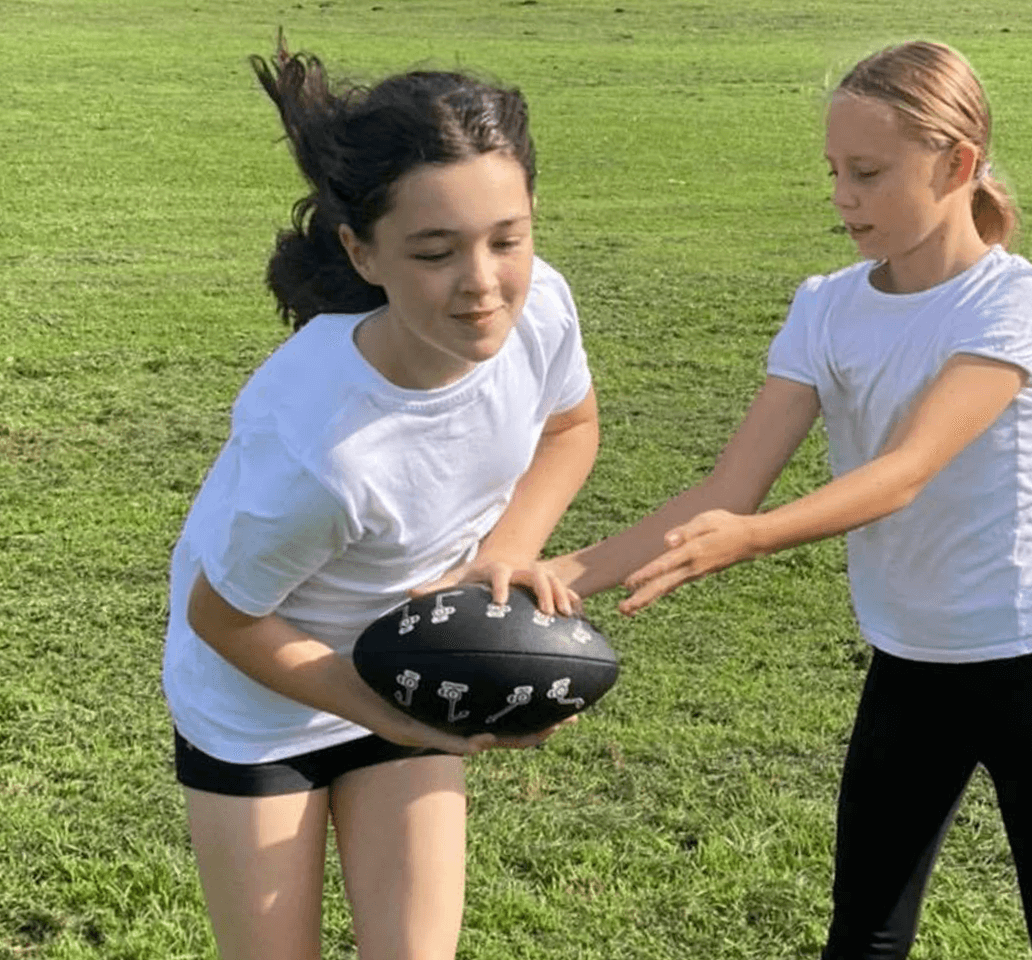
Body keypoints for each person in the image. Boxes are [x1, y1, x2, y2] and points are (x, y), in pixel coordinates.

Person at [547, 39, 1032, 960]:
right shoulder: (825, 306)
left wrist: (753, 539)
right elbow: (728, 487)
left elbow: (905, 469)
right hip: (910, 663)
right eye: (834, 172)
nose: (841, 196)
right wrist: (563, 572)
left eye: (868, 172)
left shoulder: (1013, 303)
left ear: (957, 165)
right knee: (863, 935)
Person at [161, 37, 598, 960]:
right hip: (259, 699)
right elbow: (224, 618)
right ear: (362, 252)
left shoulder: (541, 309)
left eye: (507, 239)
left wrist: (506, 547)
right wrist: (385, 712)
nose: (484, 285)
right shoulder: (321, 452)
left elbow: (569, 428)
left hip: (408, 658)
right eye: (435, 252)